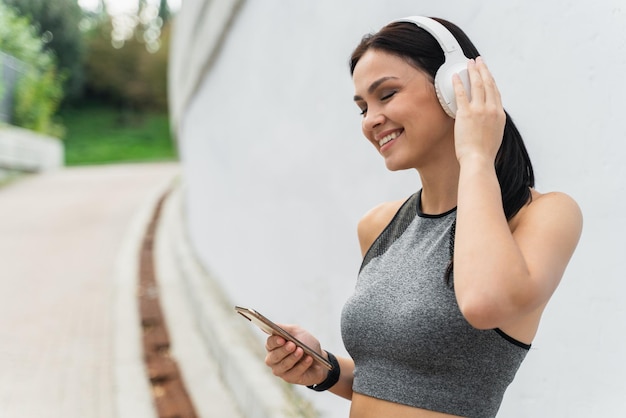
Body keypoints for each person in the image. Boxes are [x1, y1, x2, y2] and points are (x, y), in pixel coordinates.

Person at [264, 16, 582, 418]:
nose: (370, 120)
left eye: (387, 94)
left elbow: (484, 302)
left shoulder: (542, 215)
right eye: (363, 107)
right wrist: (323, 368)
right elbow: (399, 382)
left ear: (455, 87)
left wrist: (477, 155)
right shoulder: (379, 225)